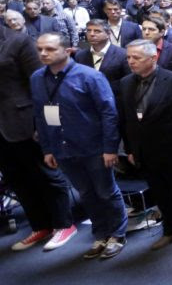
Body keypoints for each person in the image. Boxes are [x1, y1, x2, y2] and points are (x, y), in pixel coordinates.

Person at [30, 33, 127, 259]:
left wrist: (110, 148)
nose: (43, 53)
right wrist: (47, 148)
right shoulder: (36, 78)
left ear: (67, 50)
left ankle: (117, 234)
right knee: (85, 193)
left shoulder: (89, 76)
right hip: (62, 148)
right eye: (40, 49)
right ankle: (101, 233)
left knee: (105, 191)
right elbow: (40, 115)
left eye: (50, 49)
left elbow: (109, 114)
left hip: (94, 146)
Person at [120, 39, 172, 251]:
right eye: (128, 57)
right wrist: (130, 149)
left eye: (136, 58)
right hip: (145, 151)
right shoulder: (126, 83)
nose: (131, 62)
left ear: (153, 58)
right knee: (160, 194)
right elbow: (127, 119)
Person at [2, 22, 76, 252]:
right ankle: (40, 225)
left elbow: (41, 84)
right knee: (17, 178)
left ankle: (64, 224)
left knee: (47, 174)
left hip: (25, 119)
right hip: (2, 127)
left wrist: (42, 124)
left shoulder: (17, 40)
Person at [75, 19, 130, 101]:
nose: (92, 34)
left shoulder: (123, 54)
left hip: (115, 101)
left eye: (97, 31)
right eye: (89, 31)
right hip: (87, 103)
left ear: (108, 34)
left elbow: (128, 82)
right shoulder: (80, 55)